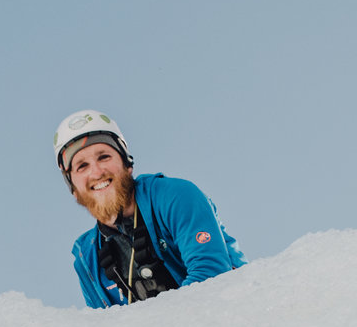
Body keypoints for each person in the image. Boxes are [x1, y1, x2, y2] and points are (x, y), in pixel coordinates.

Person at [55, 110, 241, 307]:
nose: (97, 172)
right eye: (82, 166)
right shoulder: (88, 256)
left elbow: (213, 275)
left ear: (127, 164)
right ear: (73, 188)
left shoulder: (175, 196)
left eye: (104, 157)